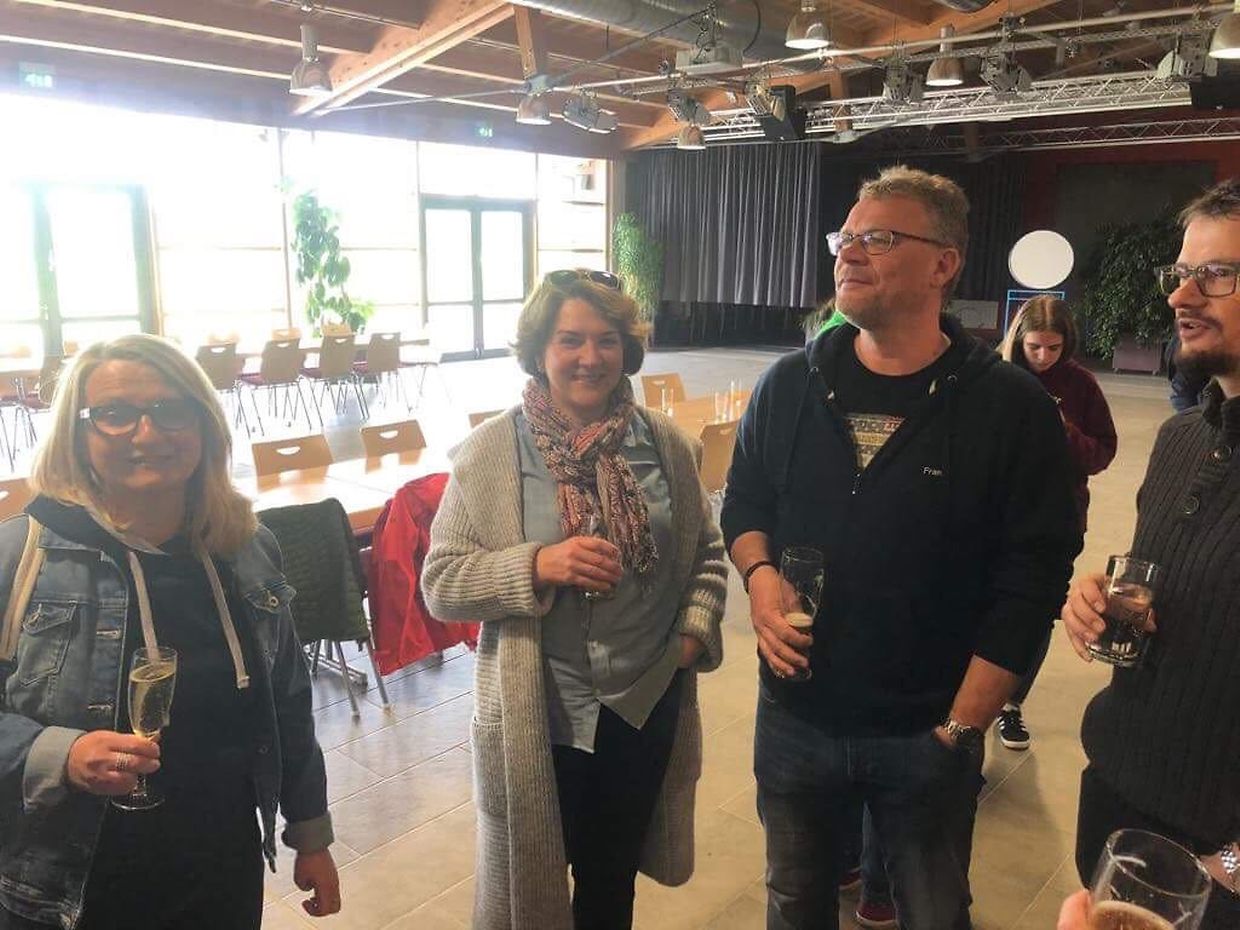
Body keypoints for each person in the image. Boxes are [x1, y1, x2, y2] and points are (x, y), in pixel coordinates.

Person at [721, 165, 1081, 930]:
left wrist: (962, 727)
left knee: (933, 912)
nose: (849, 253)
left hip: (928, 729)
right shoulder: (789, 384)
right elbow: (746, 501)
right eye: (845, 238)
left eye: (878, 238)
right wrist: (758, 577)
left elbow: (1035, 574)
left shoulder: (1009, 405)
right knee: (794, 904)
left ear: (944, 264)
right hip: (795, 717)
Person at [422, 268, 727, 930]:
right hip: (539, 714)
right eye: (570, 340)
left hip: (642, 705)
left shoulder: (668, 447)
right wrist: (538, 564)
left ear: (627, 349)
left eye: (607, 340)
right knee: (531, 890)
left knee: (611, 883)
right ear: (539, 350)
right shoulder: (489, 454)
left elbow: (707, 553)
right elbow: (440, 582)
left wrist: (688, 640)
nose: (590, 357)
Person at [0, 334, 339, 929]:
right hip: (67, 885)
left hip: (220, 866)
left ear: (204, 424)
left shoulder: (245, 548)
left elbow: (287, 701)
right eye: (114, 414)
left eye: (171, 409)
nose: (148, 433)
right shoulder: (20, 555)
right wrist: (60, 753)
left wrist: (310, 833)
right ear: (77, 433)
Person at [1062, 178, 1240, 929]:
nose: (1179, 295)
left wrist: (1229, 868)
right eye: (1181, 272)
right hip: (1118, 797)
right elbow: (1173, 589)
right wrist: (1098, 599)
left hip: (1219, 863)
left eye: (1217, 274)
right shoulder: (1180, 440)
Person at [996, 296, 1117, 750]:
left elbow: (1102, 452)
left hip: (1058, 520)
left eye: (1053, 348)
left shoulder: (1081, 385)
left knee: (1036, 612)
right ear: (1018, 342)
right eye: (1034, 347)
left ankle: (1011, 705)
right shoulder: (997, 378)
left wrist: (1064, 431)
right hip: (995, 517)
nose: (1044, 357)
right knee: (980, 604)